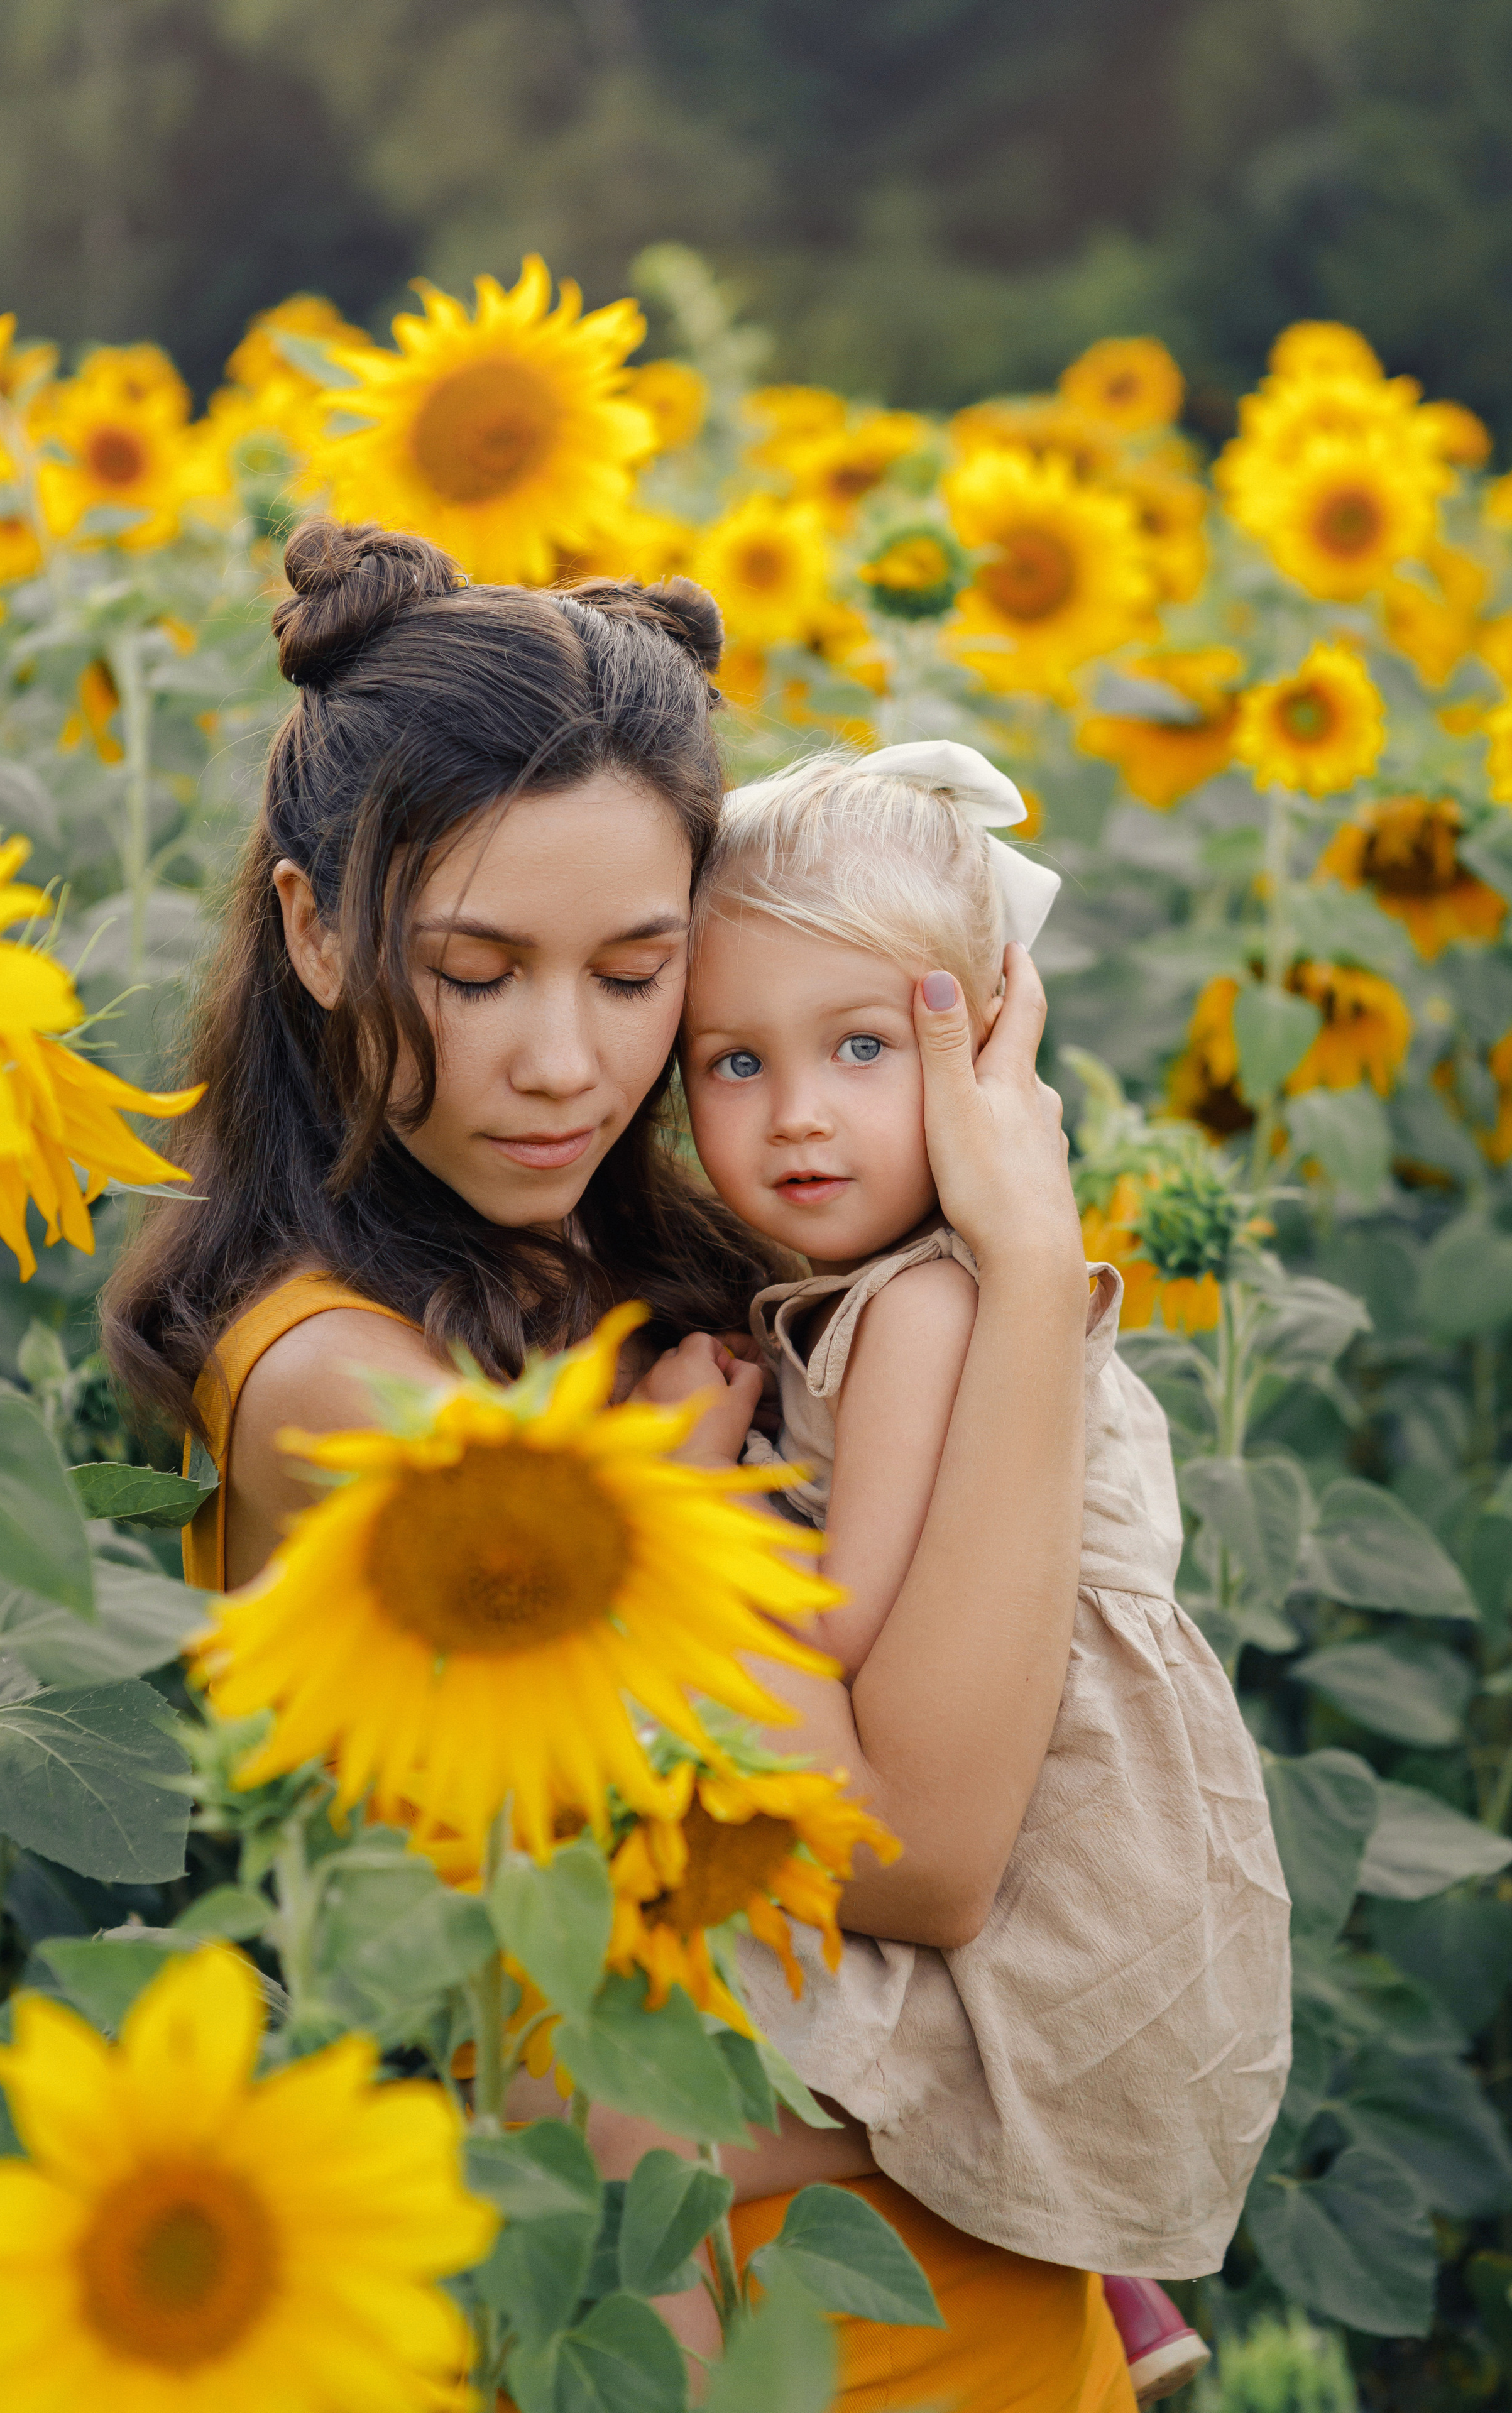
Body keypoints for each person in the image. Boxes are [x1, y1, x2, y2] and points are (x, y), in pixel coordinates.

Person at [104, 518, 1136, 2409]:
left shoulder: (667, 1267)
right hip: (704, 2344)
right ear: (319, 934)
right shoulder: (344, 1387)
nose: (566, 1065)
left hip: (977, 2307)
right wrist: (1022, 1270)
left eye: (638, 973)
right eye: (477, 975)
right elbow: (916, 1852)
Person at [664, 740, 1292, 2402]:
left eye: (863, 1047)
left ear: (980, 1047)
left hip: (1021, 1831)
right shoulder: (864, 1290)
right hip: (1026, 1799)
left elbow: (845, 1627)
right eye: (734, 1063)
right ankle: (1123, 2310)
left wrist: (676, 1502)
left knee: (668, 2096)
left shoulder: (926, 1310)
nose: (797, 1113)